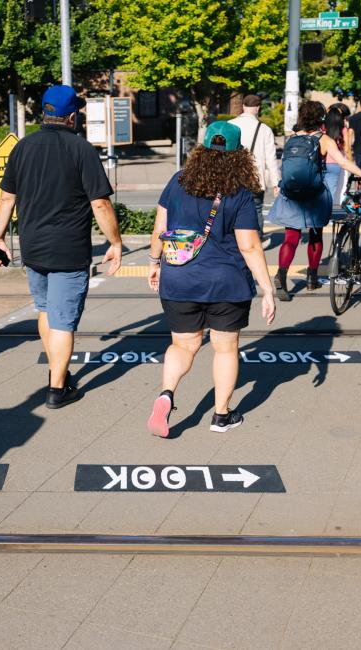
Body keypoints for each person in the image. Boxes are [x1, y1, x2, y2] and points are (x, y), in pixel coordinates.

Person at [0, 84, 123, 409]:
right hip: (69, 251)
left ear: (45, 112)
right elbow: (101, 205)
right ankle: (57, 388)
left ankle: (57, 373)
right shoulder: (81, 149)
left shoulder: (23, 148)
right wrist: (116, 242)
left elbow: (7, 198)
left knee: (46, 311)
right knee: (63, 321)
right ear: (72, 116)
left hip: (33, 249)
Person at [146, 121, 276, 437]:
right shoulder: (240, 194)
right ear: (238, 155)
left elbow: (159, 229)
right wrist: (267, 288)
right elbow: (249, 245)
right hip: (226, 282)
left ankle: (166, 394)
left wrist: (154, 263)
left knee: (184, 344)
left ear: (202, 149)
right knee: (225, 348)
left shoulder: (177, 182)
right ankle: (220, 416)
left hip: (179, 277)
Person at [268, 101, 361, 300]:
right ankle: (312, 277)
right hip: (315, 195)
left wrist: (278, 184)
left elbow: (285, 165)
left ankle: (281, 275)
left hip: (291, 193)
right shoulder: (324, 139)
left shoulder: (292, 138)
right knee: (315, 234)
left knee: (290, 238)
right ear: (321, 118)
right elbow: (343, 162)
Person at [229, 94, 280, 249]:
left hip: (233, 177)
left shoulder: (230, 125)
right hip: (255, 178)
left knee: (232, 208)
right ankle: (256, 241)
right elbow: (271, 159)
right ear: (258, 108)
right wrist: (276, 183)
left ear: (243, 106)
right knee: (256, 209)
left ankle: (233, 239)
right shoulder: (264, 129)